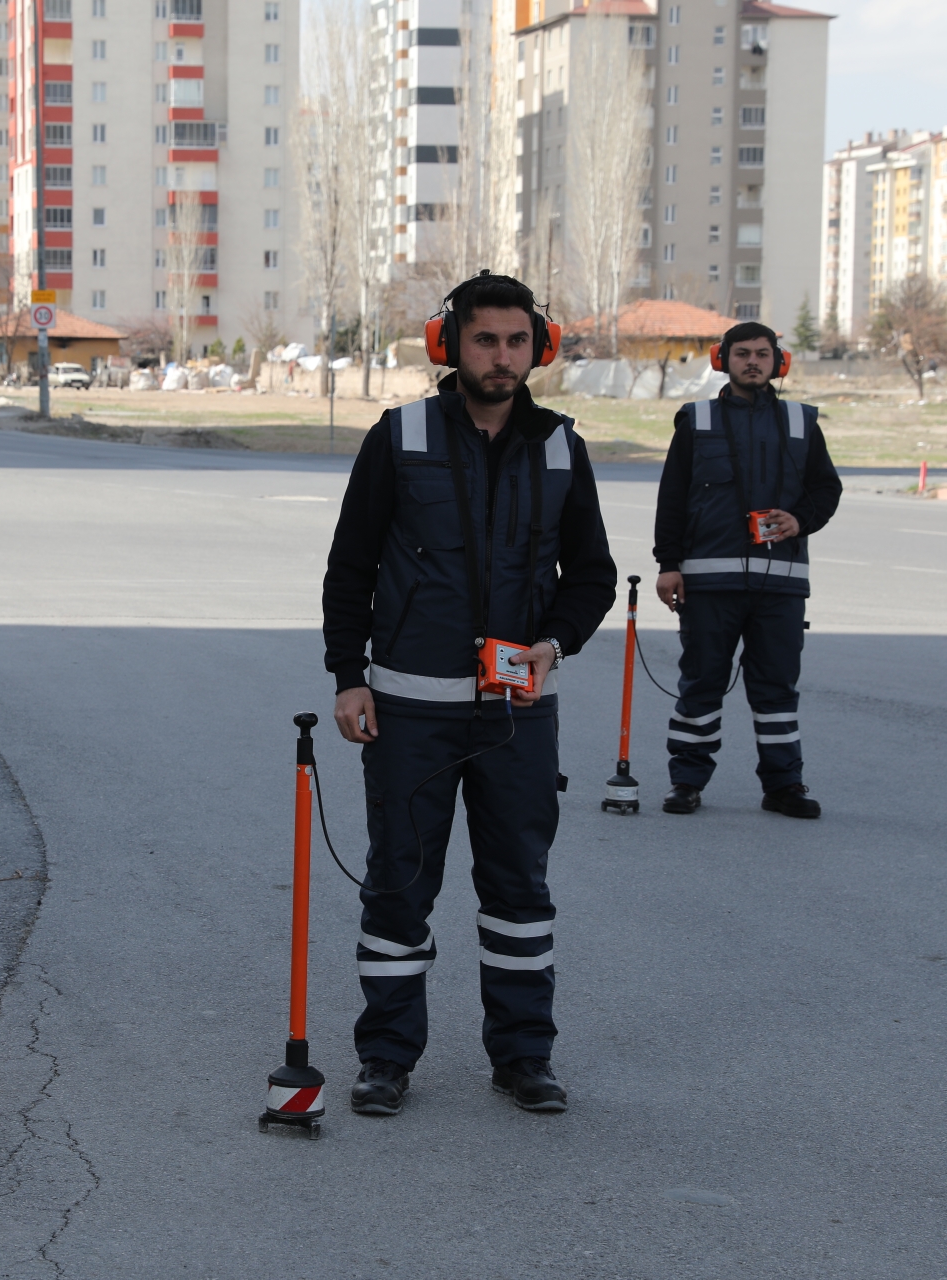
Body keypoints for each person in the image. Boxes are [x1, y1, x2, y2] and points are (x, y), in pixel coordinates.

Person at [322, 271, 616, 1117]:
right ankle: (385, 1058)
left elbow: (591, 574)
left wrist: (554, 644)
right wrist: (349, 676)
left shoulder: (560, 446)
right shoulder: (400, 435)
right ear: (450, 344)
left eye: (518, 341)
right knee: (399, 885)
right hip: (410, 707)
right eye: (485, 339)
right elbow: (351, 566)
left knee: (519, 890)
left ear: (539, 347)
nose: (502, 356)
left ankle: (524, 1057)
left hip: (517, 715)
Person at [652, 321, 842, 818]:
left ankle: (784, 786)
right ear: (723, 360)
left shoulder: (802, 421)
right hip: (708, 583)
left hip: (781, 586)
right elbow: (672, 498)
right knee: (702, 684)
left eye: (762, 353)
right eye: (742, 353)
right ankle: (686, 783)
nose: (752, 361)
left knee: (776, 689)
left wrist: (800, 519)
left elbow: (827, 489)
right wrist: (668, 565)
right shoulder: (697, 420)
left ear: (779, 361)